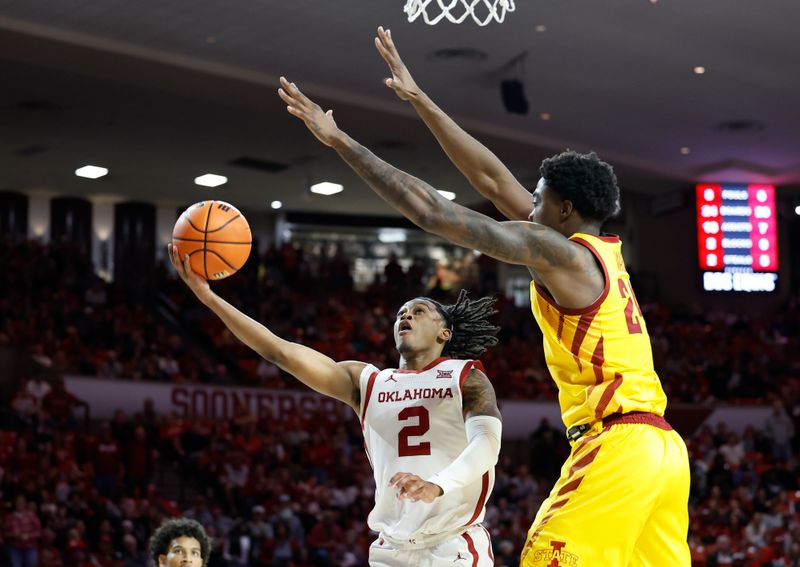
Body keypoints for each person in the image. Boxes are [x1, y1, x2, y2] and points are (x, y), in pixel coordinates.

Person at [277, 26, 690, 566]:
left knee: (546, 556)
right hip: (664, 450)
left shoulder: (560, 253)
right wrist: (420, 99)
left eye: (538, 202)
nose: (527, 210)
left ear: (563, 211)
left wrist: (340, 142)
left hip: (616, 445)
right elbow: (494, 179)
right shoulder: (597, 252)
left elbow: (433, 213)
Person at [168, 244, 502, 566]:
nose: (406, 316)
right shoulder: (368, 383)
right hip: (392, 548)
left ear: (445, 333)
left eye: (419, 312)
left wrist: (438, 484)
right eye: (401, 313)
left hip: (452, 544)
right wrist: (209, 298)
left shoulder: (465, 376)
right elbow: (279, 352)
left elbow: (486, 443)